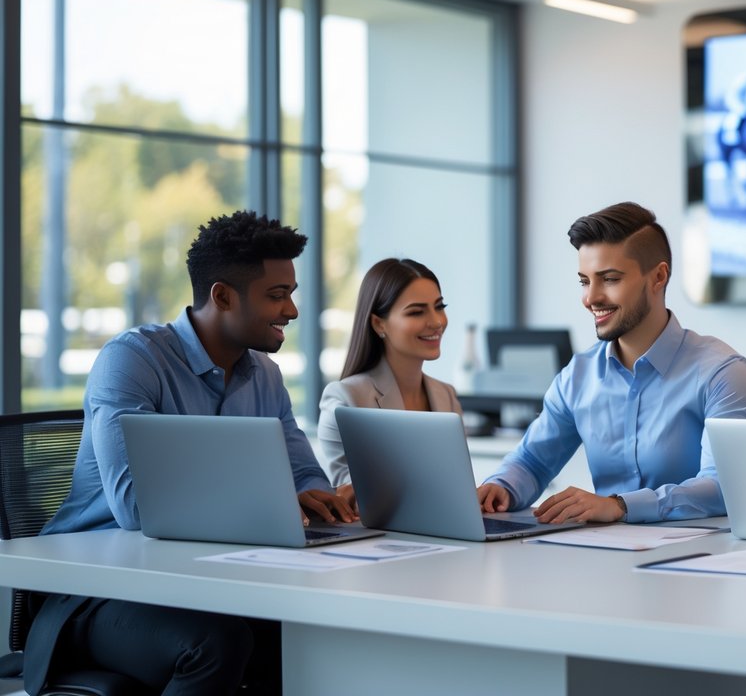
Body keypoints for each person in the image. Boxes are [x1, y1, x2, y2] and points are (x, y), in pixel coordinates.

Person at [23, 211, 352, 696]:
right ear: (223, 296)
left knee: (307, 633)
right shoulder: (132, 360)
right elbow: (137, 508)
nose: (292, 310)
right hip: (96, 592)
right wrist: (273, 501)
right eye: (277, 295)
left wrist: (325, 501)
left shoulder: (264, 375)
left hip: (208, 579)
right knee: (216, 643)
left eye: (291, 293)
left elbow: (304, 475)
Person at [476, 202, 746, 524]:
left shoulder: (723, 372)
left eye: (609, 279)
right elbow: (532, 461)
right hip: (603, 550)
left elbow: (724, 486)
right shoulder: (578, 376)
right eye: (584, 281)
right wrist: (500, 487)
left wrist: (621, 505)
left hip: (701, 551)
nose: (591, 298)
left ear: (658, 277)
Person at [317, 258, 464, 494]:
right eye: (416, 312)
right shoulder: (346, 398)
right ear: (379, 324)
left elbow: (455, 485)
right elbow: (349, 492)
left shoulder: (446, 395)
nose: (436, 322)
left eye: (439, 307)